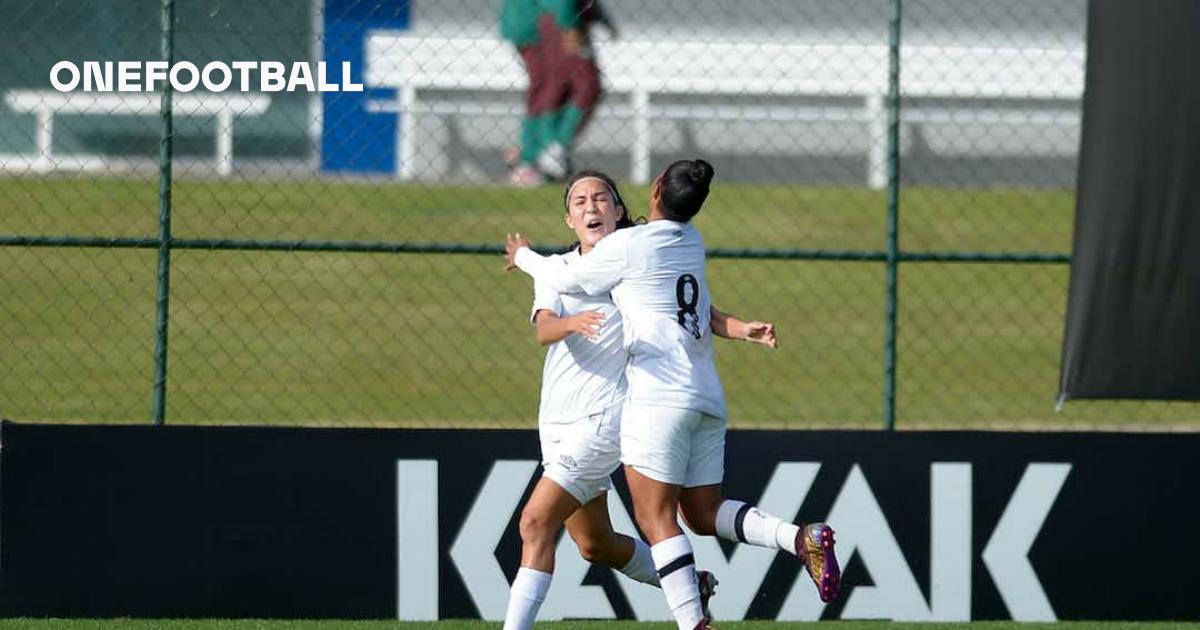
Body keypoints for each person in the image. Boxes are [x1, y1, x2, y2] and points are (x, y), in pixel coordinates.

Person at [505, 159, 841, 630]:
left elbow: (573, 282)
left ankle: (691, 622)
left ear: (627, 206)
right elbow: (687, 304)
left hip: (627, 410)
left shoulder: (623, 248)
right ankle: (791, 541)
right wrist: (741, 328)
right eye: (579, 201)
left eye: (601, 197)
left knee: (554, 522)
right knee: (604, 541)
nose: (591, 206)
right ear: (568, 218)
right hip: (638, 405)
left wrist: (520, 254)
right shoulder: (681, 241)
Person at [501, 0, 613, 185]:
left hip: (540, 21)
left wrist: (600, 18)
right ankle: (545, 152)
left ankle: (536, 156)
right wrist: (568, 24)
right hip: (548, 22)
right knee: (579, 85)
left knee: (551, 88)